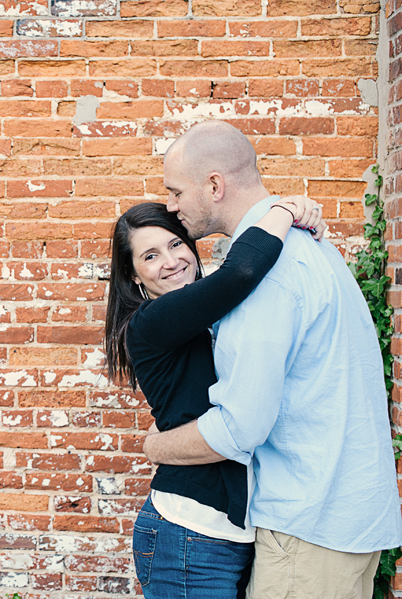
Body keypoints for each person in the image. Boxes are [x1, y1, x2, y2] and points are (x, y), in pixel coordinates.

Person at [143, 120, 402, 599]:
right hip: (344, 518)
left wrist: (155, 447)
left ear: (214, 185)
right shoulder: (309, 243)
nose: (172, 205)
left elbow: (242, 427)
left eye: (176, 191)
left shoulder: (265, 274)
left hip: (309, 526)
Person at [105, 197, 323, 598]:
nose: (170, 261)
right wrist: (284, 210)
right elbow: (240, 271)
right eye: (150, 256)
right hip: (190, 534)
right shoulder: (152, 322)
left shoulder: (203, 316)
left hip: (233, 533)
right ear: (134, 276)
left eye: (175, 244)